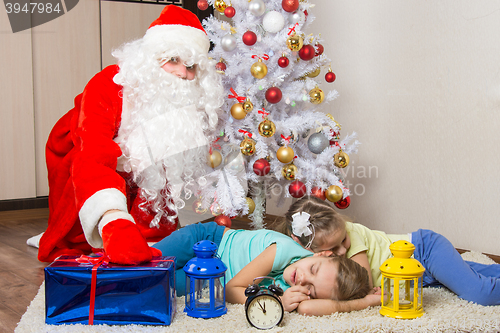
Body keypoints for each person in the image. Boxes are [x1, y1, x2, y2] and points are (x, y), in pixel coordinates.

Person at [30, 5, 224, 265]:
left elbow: (172, 173)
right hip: (81, 155)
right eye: (173, 60)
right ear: (150, 60)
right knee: (81, 240)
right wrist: (115, 223)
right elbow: (92, 156)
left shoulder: (187, 104)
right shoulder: (110, 84)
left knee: (165, 175)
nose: (182, 73)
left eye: (191, 66)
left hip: (136, 169)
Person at [274, 196, 500, 306]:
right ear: (314, 251)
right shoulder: (304, 263)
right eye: (334, 249)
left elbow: (361, 287)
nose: (344, 248)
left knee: (478, 293)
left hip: (424, 252)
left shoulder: (354, 234)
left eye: (343, 239)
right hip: (418, 279)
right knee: (483, 275)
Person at [152, 221, 375, 316]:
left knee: (151, 285)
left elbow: (308, 310)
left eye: (312, 290)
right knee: (145, 261)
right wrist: (274, 300)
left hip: (209, 280)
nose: (303, 279)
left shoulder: (298, 292)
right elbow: (232, 289)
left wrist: (365, 303)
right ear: (321, 254)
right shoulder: (286, 250)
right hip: (208, 241)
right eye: (313, 269)